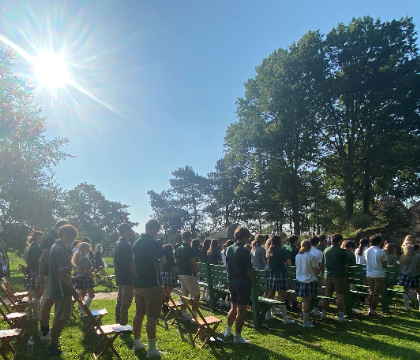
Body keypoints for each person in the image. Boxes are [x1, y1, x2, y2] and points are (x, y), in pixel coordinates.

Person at [132, 219, 166, 357]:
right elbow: (163, 260)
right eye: (157, 230)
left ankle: (137, 342)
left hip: (138, 283)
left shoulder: (136, 242)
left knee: (139, 313)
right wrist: (159, 265)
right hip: (152, 283)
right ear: (152, 229)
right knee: (152, 316)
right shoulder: (154, 243)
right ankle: (152, 349)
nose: (157, 233)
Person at [47, 224, 80, 357]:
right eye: (71, 238)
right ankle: (52, 345)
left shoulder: (57, 247)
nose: (72, 241)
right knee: (61, 318)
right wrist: (73, 291)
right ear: (65, 235)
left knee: (60, 317)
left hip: (58, 287)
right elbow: (63, 274)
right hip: (61, 289)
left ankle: (53, 343)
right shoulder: (59, 249)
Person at [39, 220, 69, 341]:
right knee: (48, 301)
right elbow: (43, 258)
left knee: (50, 300)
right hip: (49, 274)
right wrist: (41, 274)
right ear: (59, 229)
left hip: (52, 274)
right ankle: (44, 331)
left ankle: (47, 329)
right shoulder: (51, 238)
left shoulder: (52, 237)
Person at [224, 227, 253, 343]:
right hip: (242, 282)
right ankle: (237, 337)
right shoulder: (244, 251)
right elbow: (249, 270)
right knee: (241, 311)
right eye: (248, 237)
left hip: (232, 281)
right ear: (244, 236)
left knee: (233, 307)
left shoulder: (229, 248)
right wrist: (252, 282)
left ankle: (228, 331)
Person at [265, 235, 294, 323]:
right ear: (280, 241)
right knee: (281, 296)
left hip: (272, 275)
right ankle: (285, 318)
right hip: (281, 274)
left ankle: (268, 314)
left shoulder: (270, 250)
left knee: (271, 294)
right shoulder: (282, 250)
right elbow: (289, 263)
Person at [322, 233, 350, 322]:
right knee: (340, 295)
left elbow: (322, 264)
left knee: (328, 295)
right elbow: (346, 265)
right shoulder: (343, 252)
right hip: (339, 275)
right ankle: (341, 316)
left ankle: (323, 313)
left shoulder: (326, 250)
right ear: (339, 241)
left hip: (328, 275)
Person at [114, 223, 136, 326]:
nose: (131, 233)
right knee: (125, 303)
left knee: (120, 301)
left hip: (119, 276)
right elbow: (130, 263)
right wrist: (136, 274)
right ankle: (123, 325)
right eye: (129, 230)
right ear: (125, 231)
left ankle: (118, 321)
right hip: (127, 277)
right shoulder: (126, 245)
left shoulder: (117, 243)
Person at [176, 231, 200, 321]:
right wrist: (196, 274)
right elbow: (194, 263)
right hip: (189, 273)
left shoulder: (179, 248)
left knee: (184, 294)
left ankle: (183, 314)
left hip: (181, 273)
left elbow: (177, 260)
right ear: (189, 237)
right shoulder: (189, 249)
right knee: (196, 295)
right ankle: (194, 317)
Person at [295, 240, 319, 327]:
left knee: (304, 300)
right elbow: (315, 270)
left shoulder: (298, 256)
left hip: (299, 279)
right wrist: (316, 277)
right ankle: (305, 322)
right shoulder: (311, 257)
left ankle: (305, 319)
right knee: (307, 301)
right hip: (309, 279)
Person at [364, 235, 387, 317]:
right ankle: (373, 310)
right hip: (379, 274)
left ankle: (370, 308)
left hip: (369, 273)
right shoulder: (381, 252)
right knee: (376, 294)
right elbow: (384, 265)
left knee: (371, 292)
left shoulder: (366, 251)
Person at [72, 242, 95, 315]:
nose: (89, 250)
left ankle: (81, 309)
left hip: (79, 277)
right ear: (84, 249)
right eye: (88, 248)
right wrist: (92, 269)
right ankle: (85, 310)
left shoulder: (78, 257)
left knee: (82, 294)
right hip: (85, 278)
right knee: (91, 295)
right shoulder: (84, 258)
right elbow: (86, 271)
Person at [25, 231, 44, 321]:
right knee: (38, 294)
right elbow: (40, 260)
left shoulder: (33, 247)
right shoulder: (35, 248)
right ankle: (36, 315)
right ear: (37, 237)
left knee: (39, 294)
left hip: (34, 271)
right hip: (36, 272)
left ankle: (38, 314)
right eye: (41, 237)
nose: (42, 239)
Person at [398, 244, 420, 311]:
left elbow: (400, 266)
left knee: (405, 291)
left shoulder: (402, 257)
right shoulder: (417, 257)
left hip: (405, 275)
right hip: (415, 275)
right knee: (418, 291)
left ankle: (406, 307)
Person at [160, 244, 179, 312]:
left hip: (163, 274)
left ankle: (163, 305)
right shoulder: (171, 258)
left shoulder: (163, 258)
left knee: (164, 292)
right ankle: (165, 307)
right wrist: (177, 274)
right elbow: (174, 268)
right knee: (167, 293)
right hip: (169, 274)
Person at [309, 236, 324, 316]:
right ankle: (315, 308)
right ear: (317, 243)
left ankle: (310, 307)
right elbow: (321, 265)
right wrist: (322, 273)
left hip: (307, 273)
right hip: (316, 273)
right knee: (318, 291)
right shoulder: (319, 252)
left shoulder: (306, 251)